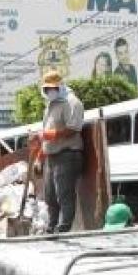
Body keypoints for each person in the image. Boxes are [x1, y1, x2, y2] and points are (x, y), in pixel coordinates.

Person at [35, 70, 85, 233]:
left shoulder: (72, 102)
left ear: (60, 85)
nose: (50, 91)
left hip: (67, 155)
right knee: (50, 196)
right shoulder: (50, 106)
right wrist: (39, 157)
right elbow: (45, 136)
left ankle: (63, 229)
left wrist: (48, 134)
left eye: (53, 88)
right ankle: (51, 227)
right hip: (51, 156)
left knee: (64, 194)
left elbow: (73, 129)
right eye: (47, 89)